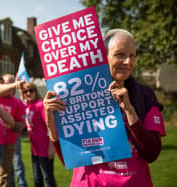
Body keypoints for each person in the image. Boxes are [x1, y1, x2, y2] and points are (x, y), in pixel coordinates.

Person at [43, 29, 166, 187]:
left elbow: (152, 153)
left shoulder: (145, 95)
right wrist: (51, 121)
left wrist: (129, 111)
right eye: (120, 54)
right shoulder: (77, 93)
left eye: (132, 56)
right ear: (103, 57)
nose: (128, 62)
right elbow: (69, 158)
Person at [20, 82, 57, 187]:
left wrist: (51, 146)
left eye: (30, 90)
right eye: (25, 91)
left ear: (35, 91)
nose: (28, 93)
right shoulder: (28, 106)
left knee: (48, 178)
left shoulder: (40, 105)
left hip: (45, 148)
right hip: (35, 149)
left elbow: (50, 124)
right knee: (37, 178)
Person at [0, 74, 26, 187]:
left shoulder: (16, 102)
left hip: (11, 140)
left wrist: (14, 125)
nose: (10, 84)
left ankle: (21, 184)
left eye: (12, 82)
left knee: (15, 164)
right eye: (7, 82)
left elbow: (22, 123)